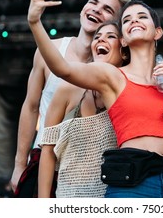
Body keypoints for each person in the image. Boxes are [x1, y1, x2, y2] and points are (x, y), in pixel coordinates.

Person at [28, 0, 163, 198]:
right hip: (132, 182)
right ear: (123, 40)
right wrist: (34, 22)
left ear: (157, 32)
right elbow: (63, 69)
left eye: (142, 16)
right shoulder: (112, 76)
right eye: (127, 20)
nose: (134, 21)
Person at [10, 0, 131, 197]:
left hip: (87, 172)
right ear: (83, 8)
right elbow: (31, 106)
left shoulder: (115, 69)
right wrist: (20, 164)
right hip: (44, 160)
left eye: (107, 9)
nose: (96, 9)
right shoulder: (50, 50)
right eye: (93, 2)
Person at [38, 21, 127, 197]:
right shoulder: (66, 89)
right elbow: (47, 150)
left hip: (114, 197)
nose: (101, 40)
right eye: (97, 37)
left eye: (110, 36)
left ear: (124, 51)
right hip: (69, 197)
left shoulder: (129, 92)